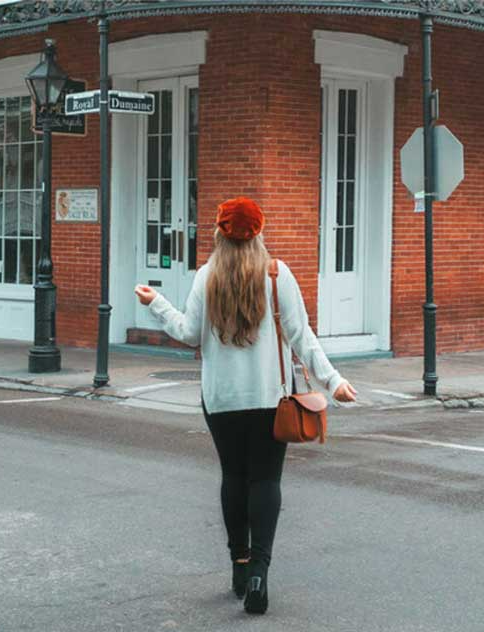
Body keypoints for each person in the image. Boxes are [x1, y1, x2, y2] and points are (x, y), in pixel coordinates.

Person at [135, 196, 357, 615]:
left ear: (219, 232)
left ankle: (238, 564)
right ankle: (259, 571)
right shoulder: (276, 275)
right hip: (269, 399)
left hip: (220, 401)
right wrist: (335, 382)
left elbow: (186, 332)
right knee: (266, 480)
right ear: (260, 232)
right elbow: (302, 337)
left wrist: (155, 303)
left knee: (233, 477)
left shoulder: (207, 276)